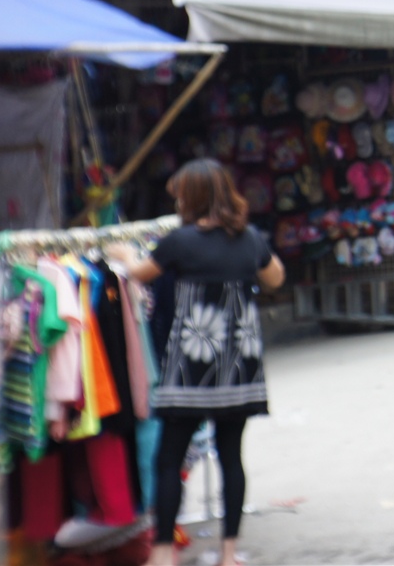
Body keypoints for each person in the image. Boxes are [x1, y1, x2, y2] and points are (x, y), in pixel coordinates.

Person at [109, 158, 284, 566]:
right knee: (231, 457)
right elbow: (275, 278)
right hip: (239, 366)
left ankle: (162, 553)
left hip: (192, 366)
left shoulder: (179, 242)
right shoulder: (249, 239)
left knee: (169, 459)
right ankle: (228, 554)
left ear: (191, 198)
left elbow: (139, 274)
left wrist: (124, 253)